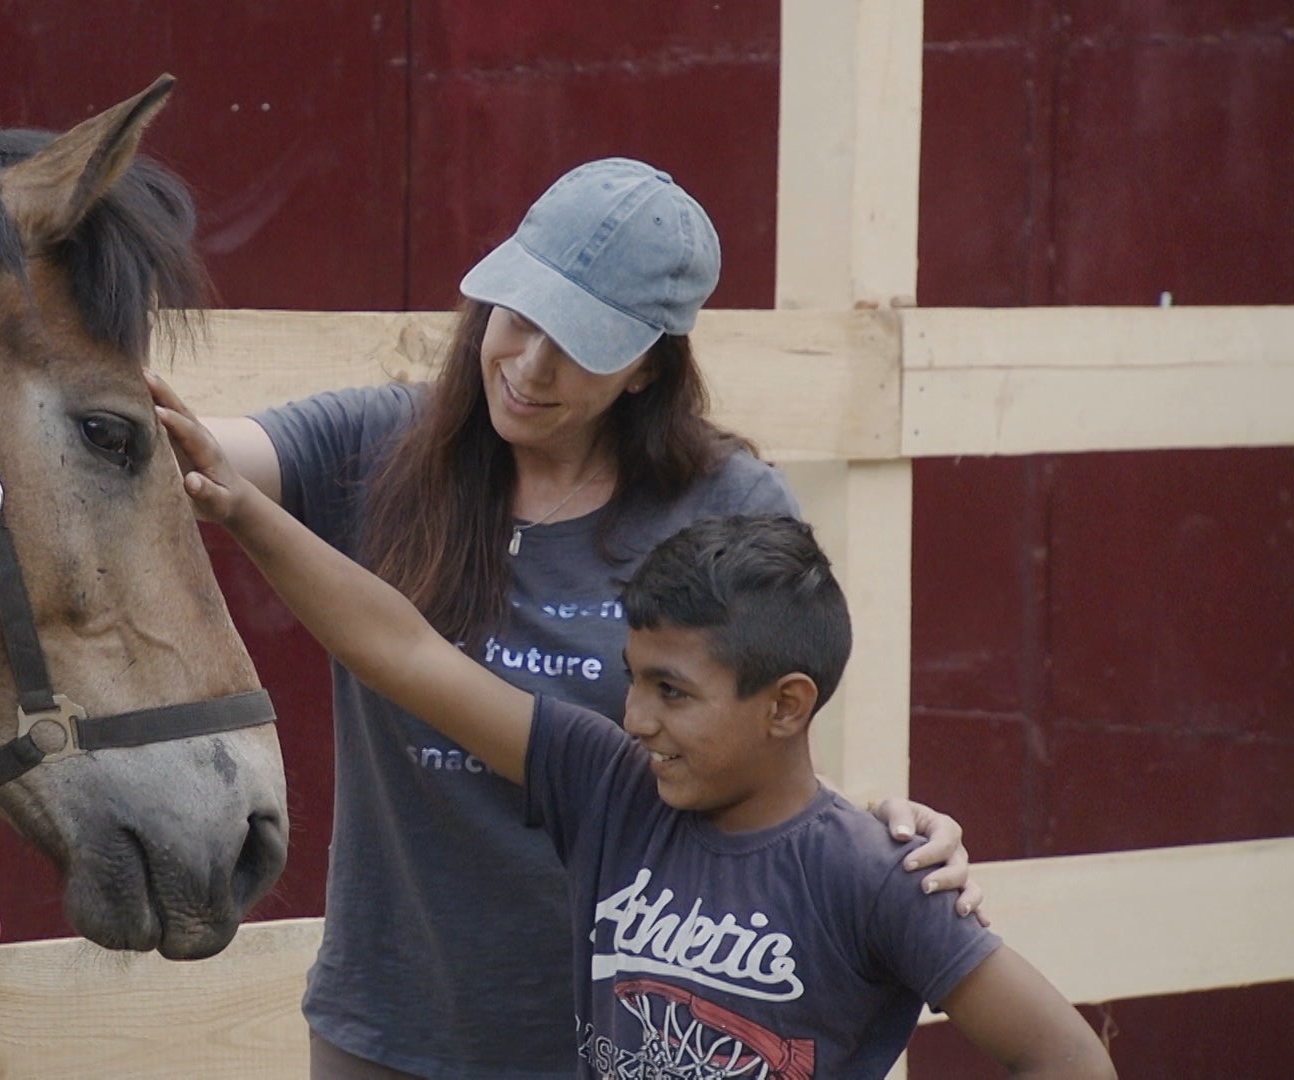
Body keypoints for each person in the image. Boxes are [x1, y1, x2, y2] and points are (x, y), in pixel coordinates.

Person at [195, 158, 985, 1078]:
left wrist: (879, 836)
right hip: (388, 1027)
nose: (530, 367)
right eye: (519, 317)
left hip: (624, 1038)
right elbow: (182, 460)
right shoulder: (376, 448)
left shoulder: (728, 508)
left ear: (650, 365)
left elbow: (765, 743)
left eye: (580, 343)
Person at [143, 406, 1115, 1078]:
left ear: (786, 707)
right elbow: (401, 651)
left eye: (671, 693)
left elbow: (1066, 1056)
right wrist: (239, 507)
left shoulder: (873, 872)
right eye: (632, 681)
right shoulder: (606, 784)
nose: (635, 716)